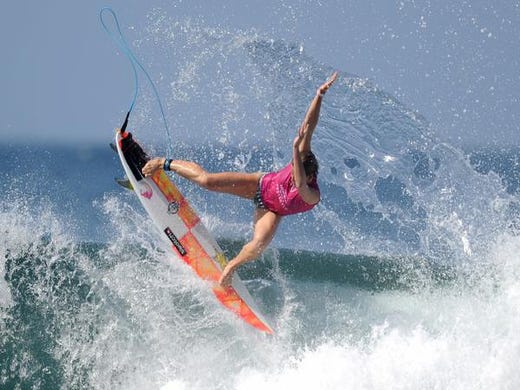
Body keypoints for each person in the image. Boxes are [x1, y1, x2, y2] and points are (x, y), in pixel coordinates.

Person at [142, 72, 338, 287]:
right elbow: (309, 126)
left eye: (296, 171)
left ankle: (231, 267)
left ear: (310, 176)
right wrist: (319, 95)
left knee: (259, 244)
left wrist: (293, 148)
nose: (291, 175)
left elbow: (300, 185)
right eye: (292, 169)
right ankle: (164, 163)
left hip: (272, 211)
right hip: (258, 185)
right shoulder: (302, 157)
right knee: (208, 181)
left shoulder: (312, 195)